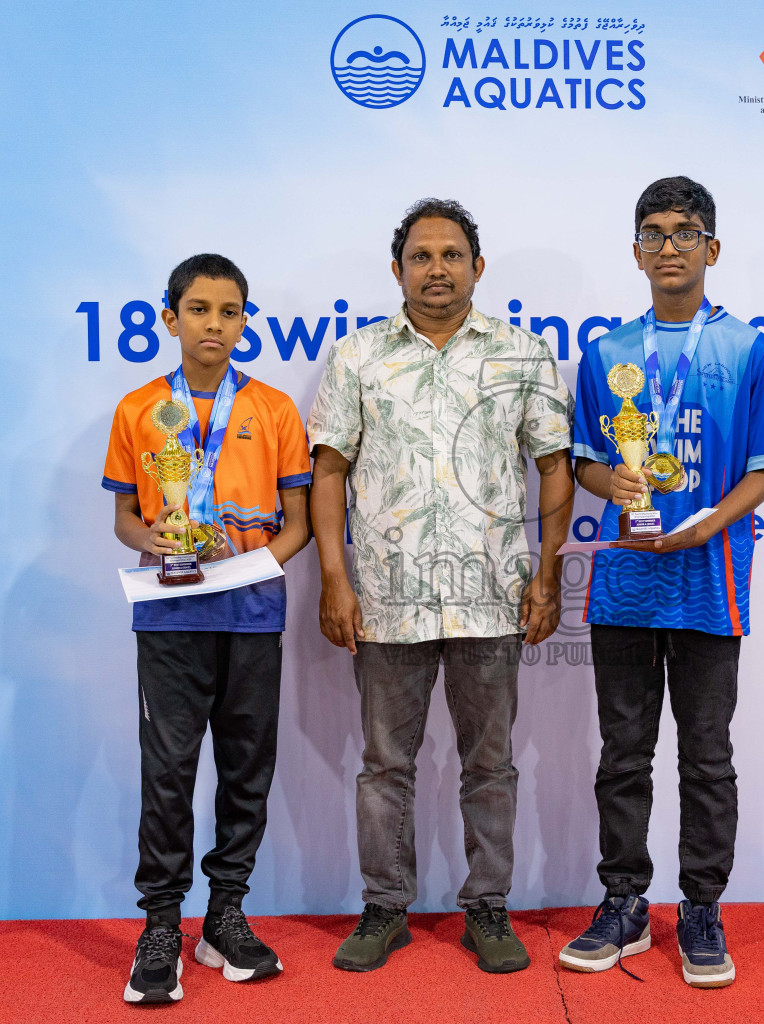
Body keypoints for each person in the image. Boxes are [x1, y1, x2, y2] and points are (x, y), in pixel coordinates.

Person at [308, 198, 573, 974]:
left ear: (477, 267)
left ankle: (488, 907)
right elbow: (330, 471)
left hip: (491, 593)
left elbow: (554, 467)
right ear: (397, 270)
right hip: (386, 600)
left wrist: (547, 575)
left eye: (451, 255)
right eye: (421, 257)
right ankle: (385, 907)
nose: (436, 269)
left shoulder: (522, 355)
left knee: (489, 765)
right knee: (385, 766)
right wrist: (334, 577)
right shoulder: (357, 357)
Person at [559, 177, 764, 988]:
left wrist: (705, 523)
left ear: (713, 249)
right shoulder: (606, 354)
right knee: (623, 754)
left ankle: (701, 906)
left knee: (706, 758)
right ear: (635, 251)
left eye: (686, 232)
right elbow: (587, 460)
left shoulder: (748, 350)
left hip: (712, 578)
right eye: (655, 233)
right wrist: (612, 487)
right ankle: (625, 901)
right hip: (626, 580)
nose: (670, 246)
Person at [102, 254, 313, 1003]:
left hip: (252, 614)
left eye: (229, 311)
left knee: (246, 769)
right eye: (198, 309)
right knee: (167, 773)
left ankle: (225, 914)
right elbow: (127, 515)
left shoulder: (276, 410)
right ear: (169, 319)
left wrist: (251, 570)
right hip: (169, 616)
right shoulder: (137, 410)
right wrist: (150, 539)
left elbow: (299, 526)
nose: (213, 324)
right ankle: (160, 924)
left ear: (245, 322)